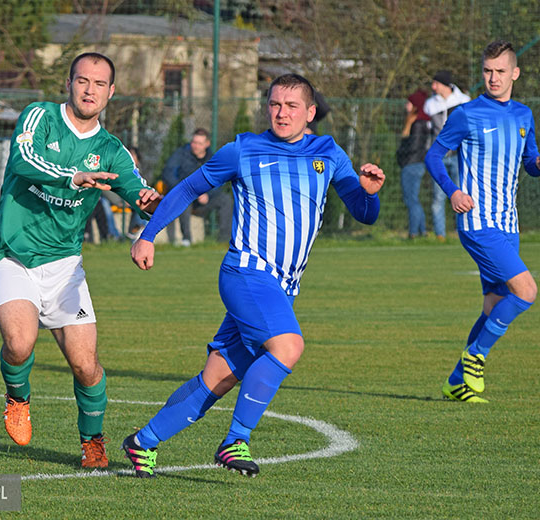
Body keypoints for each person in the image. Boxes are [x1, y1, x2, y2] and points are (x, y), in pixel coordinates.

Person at [122, 73, 386, 478]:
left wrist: (369, 192)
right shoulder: (243, 149)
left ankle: (143, 442)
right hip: (246, 273)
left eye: (292, 106)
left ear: (310, 112)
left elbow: (364, 214)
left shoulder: (328, 153)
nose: (282, 113)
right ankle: (235, 440)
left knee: (219, 376)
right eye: (275, 104)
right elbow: (188, 188)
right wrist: (148, 234)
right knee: (288, 346)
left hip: (282, 287)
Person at [0, 52, 161, 467]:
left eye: (99, 84)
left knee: (85, 365)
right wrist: (72, 177)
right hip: (12, 253)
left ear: (111, 92)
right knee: (20, 341)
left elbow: (135, 189)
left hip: (63, 264)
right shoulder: (39, 117)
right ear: (69, 83)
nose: (90, 90)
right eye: (83, 81)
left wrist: (150, 204)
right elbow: (23, 160)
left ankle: (92, 440)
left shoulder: (111, 149)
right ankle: (18, 398)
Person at [425, 40, 540, 403]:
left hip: (509, 224)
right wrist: (452, 191)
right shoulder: (466, 114)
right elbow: (434, 156)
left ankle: (456, 381)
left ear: (514, 73)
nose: (493, 78)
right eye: (487, 71)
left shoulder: (523, 115)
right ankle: (475, 358)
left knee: (493, 306)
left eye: (500, 71)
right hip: (477, 222)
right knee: (526, 291)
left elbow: (528, 162)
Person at [423, 70, 471, 241]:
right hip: (440, 157)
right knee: (438, 196)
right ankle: (440, 235)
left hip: (460, 156)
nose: (432, 87)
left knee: (462, 194)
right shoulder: (430, 104)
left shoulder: (463, 101)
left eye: (435, 83)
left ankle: (464, 232)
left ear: (443, 84)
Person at [161, 128, 213, 246]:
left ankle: (224, 240)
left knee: (226, 200)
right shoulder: (181, 153)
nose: (195, 146)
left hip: (202, 199)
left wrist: (208, 194)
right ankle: (186, 239)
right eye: (194, 142)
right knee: (185, 199)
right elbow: (167, 173)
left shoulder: (212, 157)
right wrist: (184, 188)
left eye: (199, 143)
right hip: (184, 194)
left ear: (207, 144)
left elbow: (220, 180)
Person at [396, 89, 432, 238]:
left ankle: (413, 232)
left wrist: (401, 156)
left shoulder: (417, 124)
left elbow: (413, 146)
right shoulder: (417, 122)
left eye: (409, 103)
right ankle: (422, 231)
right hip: (414, 163)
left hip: (412, 164)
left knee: (411, 199)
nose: (406, 105)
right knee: (413, 199)